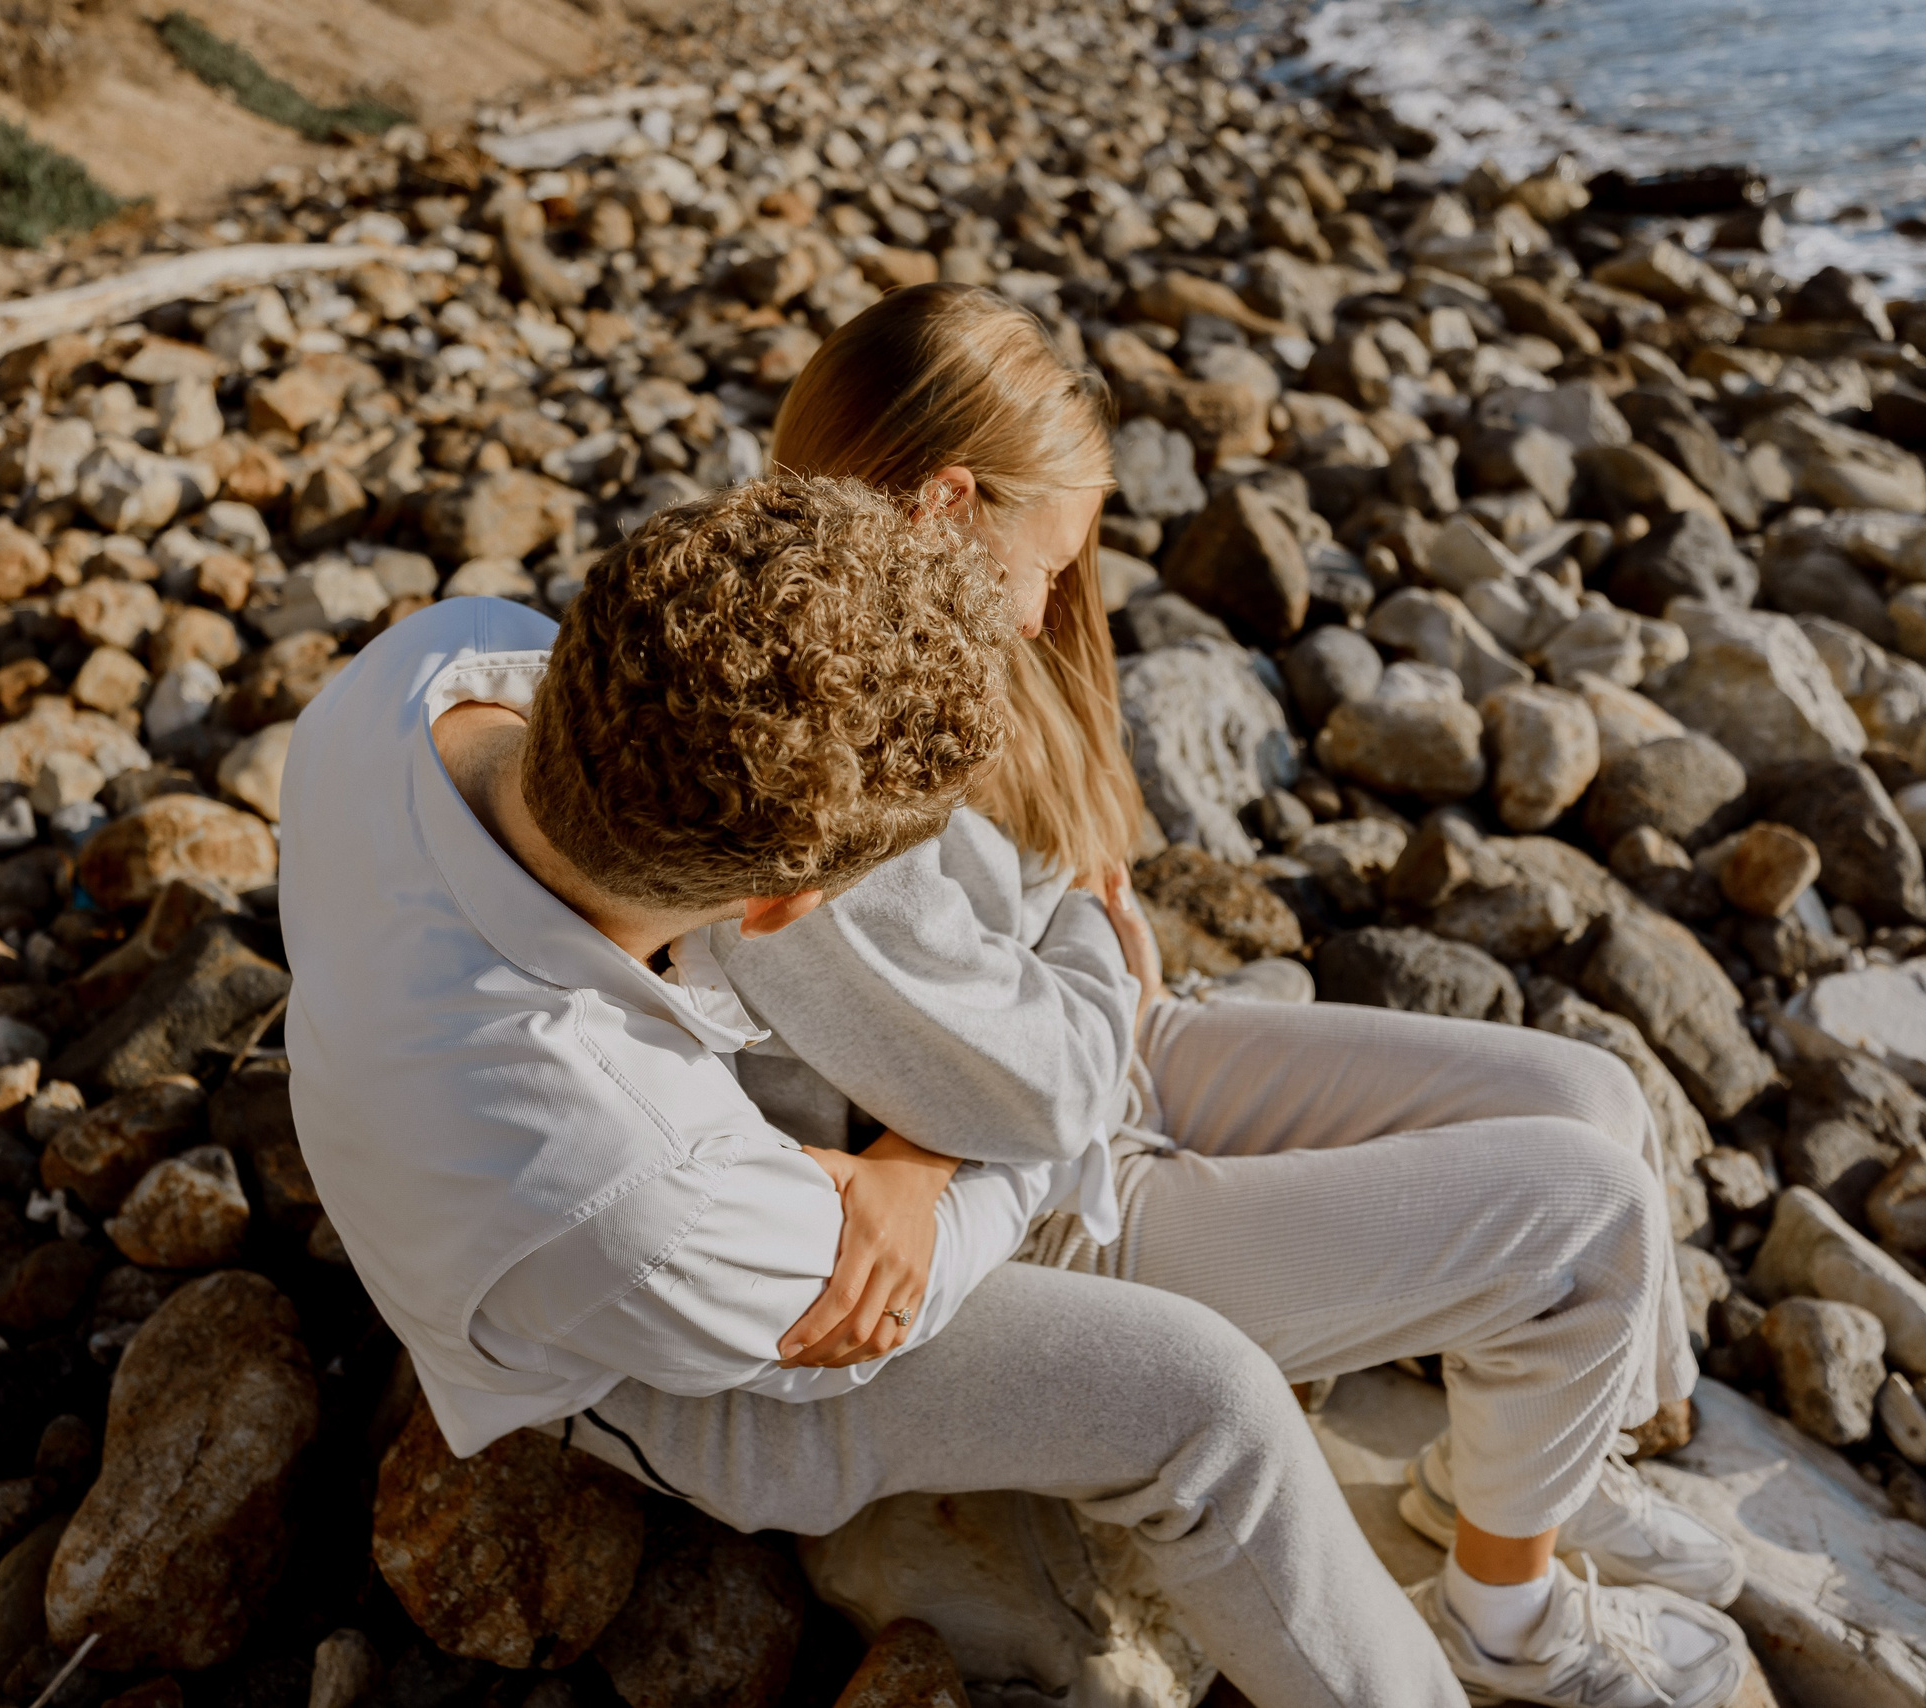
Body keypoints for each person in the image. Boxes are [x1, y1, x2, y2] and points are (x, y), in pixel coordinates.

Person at [281, 473, 1506, 1706]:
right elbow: (871, 1312)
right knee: (1206, 1402)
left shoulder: (438, 658)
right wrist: (955, 1155)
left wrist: (912, 1152)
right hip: (641, 1369)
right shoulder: (638, 1180)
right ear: (781, 912)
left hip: (508, 1180)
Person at [709, 284, 1752, 1708]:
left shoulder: (939, 641)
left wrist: (1085, 936)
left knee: (1595, 1096)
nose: (1051, 608)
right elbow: (1009, 1069)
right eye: (1049, 564)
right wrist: (1067, 963)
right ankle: (1509, 1620)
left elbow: (1068, 947)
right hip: (1047, 1192)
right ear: (946, 507)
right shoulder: (807, 743)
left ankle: (1527, 1480)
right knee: (1590, 1221)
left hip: (1099, 1062)